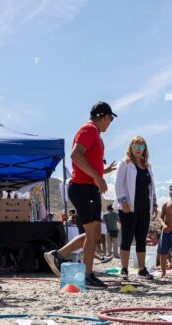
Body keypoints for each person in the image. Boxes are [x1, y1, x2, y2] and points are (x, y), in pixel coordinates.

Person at [44, 102, 118, 288]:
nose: (110, 123)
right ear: (105, 116)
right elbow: (76, 155)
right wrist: (97, 177)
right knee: (93, 234)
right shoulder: (89, 129)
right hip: (83, 187)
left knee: (91, 234)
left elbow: (86, 160)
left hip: (87, 187)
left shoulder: (93, 133)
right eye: (110, 119)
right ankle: (87, 274)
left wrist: (102, 171)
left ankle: (58, 255)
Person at [114, 135, 158, 279]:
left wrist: (154, 204)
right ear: (131, 148)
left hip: (144, 207)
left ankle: (142, 269)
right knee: (126, 238)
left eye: (141, 146)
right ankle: (124, 268)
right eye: (136, 146)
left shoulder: (147, 166)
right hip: (129, 207)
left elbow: (151, 187)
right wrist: (123, 202)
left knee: (141, 238)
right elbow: (118, 184)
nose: (138, 149)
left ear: (144, 149)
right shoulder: (125, 164)